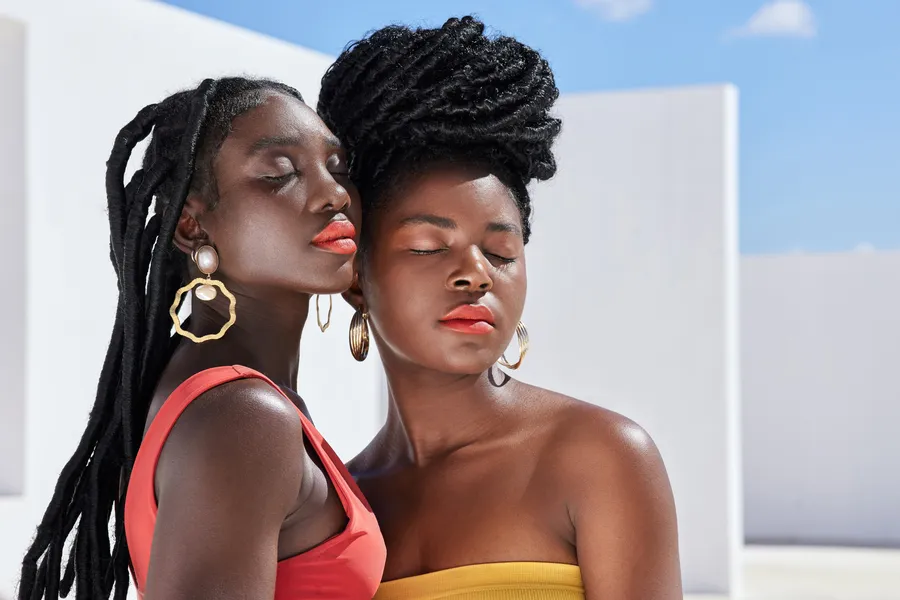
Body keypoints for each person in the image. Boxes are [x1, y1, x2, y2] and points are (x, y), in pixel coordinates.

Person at [318, 17, 682, 600]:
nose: (476, 272)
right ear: (357, 280)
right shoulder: (338, 504)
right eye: (428, 246)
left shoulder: (600, 459)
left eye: (500, 251)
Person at [19, 77, 385, 600]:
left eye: (338, 167)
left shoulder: (220, 392)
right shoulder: (243, 415)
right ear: (192, 228)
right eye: (280, 173)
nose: (334, 194)